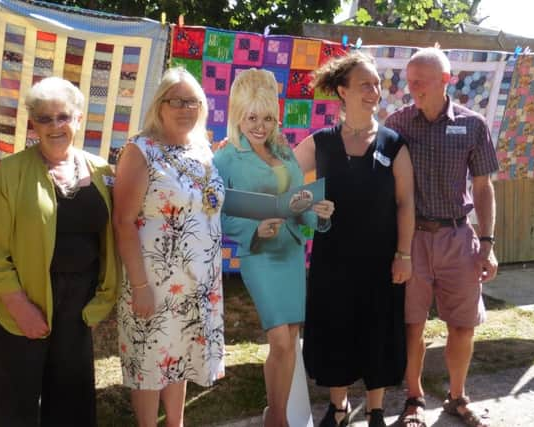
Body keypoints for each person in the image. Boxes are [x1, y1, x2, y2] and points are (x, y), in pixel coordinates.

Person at [0, 76, 120, 427]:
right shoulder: (11, 171)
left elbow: (119, 230)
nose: (55, 125)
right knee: (18, 400)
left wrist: (103, 298)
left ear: (78, 119)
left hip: (79, 299)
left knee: (72, 397)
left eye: (63, 117)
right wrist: (20, 306)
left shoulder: (101, 170)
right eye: (45, 118)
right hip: (25, 297)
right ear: (33, 125)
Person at [294, 51, 415, 427]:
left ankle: (376, 409)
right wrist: (308, 205)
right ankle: (339, 407)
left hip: (381, 260)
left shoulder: (394, 144)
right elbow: (284, 180)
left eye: (377, 84)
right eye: (365, 84)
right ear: (342, 91)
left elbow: (406, 202)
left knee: (378, 328)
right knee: (335, 328)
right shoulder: (322, 142)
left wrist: (404, 255)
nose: (375, 91)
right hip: (333, 260)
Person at [213, 68, 334, 427]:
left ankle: (276, 413)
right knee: (280, 339)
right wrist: (254, 228)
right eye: (252, 117)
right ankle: (276, 415)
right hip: (259, 255)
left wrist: (320, 213)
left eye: (267, 117)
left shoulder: (283, 151)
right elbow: (216, 213)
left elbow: (299, 204)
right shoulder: (225, 159)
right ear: (237, 114)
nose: (260, 126)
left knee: (290, 339)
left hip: (291, 251)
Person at [385, 47, 499, 427]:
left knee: (463, 324)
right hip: (413, 238)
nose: (411, 86)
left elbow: (483, 188)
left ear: (446, 80)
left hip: (458, 238)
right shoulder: (398, 123)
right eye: (409, 79)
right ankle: (413, 399)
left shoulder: (473, 124)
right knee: (412, 323)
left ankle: (457, 396)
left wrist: (487, 244)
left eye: (420, 80)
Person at [113, 67, 225, 427]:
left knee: (178, 358)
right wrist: (140, 286)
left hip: (197, 284)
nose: (185, 108)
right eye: (175, 100)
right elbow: (123, 221)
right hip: (154, 282)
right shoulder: (141, 150)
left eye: (192, 101)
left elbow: (209, 205)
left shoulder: (202, 150)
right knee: (149, 361)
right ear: (159, 106)